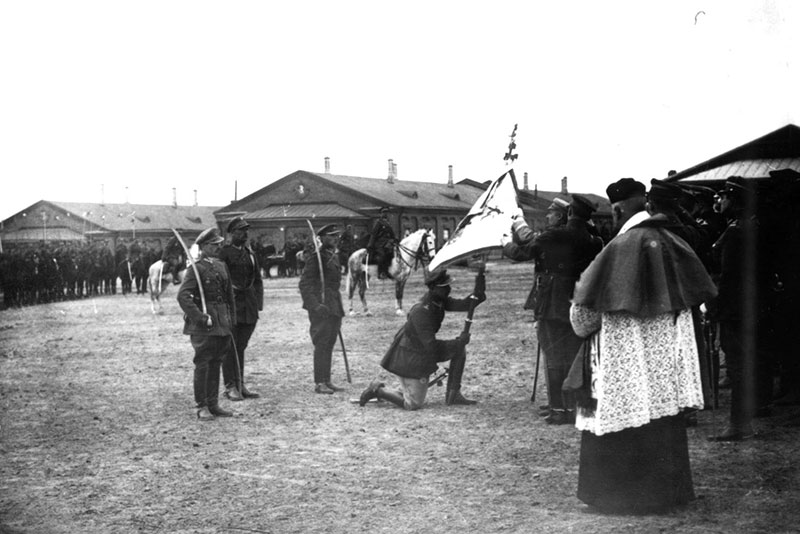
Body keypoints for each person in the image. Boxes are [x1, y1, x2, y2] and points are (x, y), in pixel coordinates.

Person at [568, 194, 717, 513]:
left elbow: (584, 320)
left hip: (623, 368)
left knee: (624, 420)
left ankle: (618, 497)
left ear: (619, 210)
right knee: (662, 422)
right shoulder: (677, 244)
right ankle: (668, 494)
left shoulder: (616, 249)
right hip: (666, 369)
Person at [502, 195, 603, 424]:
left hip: (553, 302)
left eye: (550, 213)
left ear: (565, 214)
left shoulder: (557, 234)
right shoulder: (594, 239)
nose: (547, 216)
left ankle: (559, 409)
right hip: (580, 301)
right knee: (575, 355)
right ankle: (574, 406)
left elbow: (524, 252)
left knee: (554, 355)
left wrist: (506, 242)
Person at [358, 268, 484, 409]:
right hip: (410, 357)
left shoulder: (439, 301)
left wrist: (479, 287)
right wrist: (458, 342)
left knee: (459, 349)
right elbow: (431, 347)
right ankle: (378, 390)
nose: (449, 289)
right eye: (444, 287)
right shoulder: (422, 311)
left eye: (448, 285)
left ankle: (453, 394)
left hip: (421, 353)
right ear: (433, 289)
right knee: (413, 403)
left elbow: (466, 304)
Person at [709, 176, 773, 441]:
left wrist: (714, 309)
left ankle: (738, 425)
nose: (720, 200)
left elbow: (728, 278)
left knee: (737, 365)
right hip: (756, 306)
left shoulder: (736, 232)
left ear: (734, 201)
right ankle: (746, 418)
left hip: (735, 309)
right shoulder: (754, 226)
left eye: (724, 196)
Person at [177, 227, 236, 421]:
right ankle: (202, 405)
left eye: (219, 244)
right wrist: (200, 317)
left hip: (222, 323)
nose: (218, 247)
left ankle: (213, 403)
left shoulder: (221, 265)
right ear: (203, 247)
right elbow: (184, 296)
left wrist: (231, 319)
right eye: (213, 245)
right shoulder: (195, 268)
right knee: (203, 363)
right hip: (205, 324)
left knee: (217, 362)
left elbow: (229, 296)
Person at [218, 217, 264, 401]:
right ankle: (230, 386)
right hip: (232, 306)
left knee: (241, 346)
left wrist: (258, 304)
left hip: (249, 307)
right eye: (240, 231)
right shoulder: (223, 254)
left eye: (245, 231)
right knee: (230, 347)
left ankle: (240, 383)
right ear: (231, 234)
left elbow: (257, 281)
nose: (244, 234)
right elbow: (219, 281)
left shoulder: (250, 254)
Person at [298, 224, 347, 394]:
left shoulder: (332, 256)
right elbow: (304, 284)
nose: (335, 239)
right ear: (322, 238)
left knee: (330, 342)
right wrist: (315, 306)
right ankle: (319, 382)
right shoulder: (315, 258)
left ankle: (327, 380)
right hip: (321, 306)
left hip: (333, 305)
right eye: (331, 236)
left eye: (336, 236)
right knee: (321, 343)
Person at [367, 207, 396, 279]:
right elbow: (374, 234)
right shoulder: (379, 223)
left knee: (391, 255)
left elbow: (392, 234)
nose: (385, 214)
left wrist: (395, 240)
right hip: (379, 243)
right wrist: (370, 244)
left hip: (387, 243)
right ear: (381, 214)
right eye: (384, 213)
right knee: (382, 255)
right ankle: (380, 273)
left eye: (386, 213)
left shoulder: (388, 223)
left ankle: (387, 271)